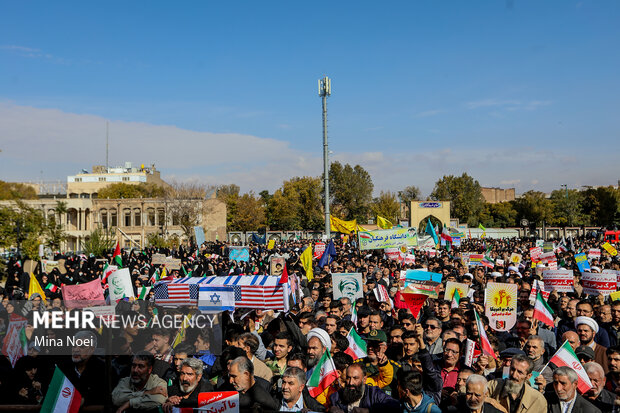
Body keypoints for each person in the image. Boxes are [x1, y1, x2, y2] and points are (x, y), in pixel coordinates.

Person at [329, 363, 400, 413]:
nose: (351, 383)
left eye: (355, 378)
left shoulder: (374, 394)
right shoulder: (336, 397)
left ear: (364, 379)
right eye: (348, 378)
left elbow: (395, 406)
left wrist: (369, 411)